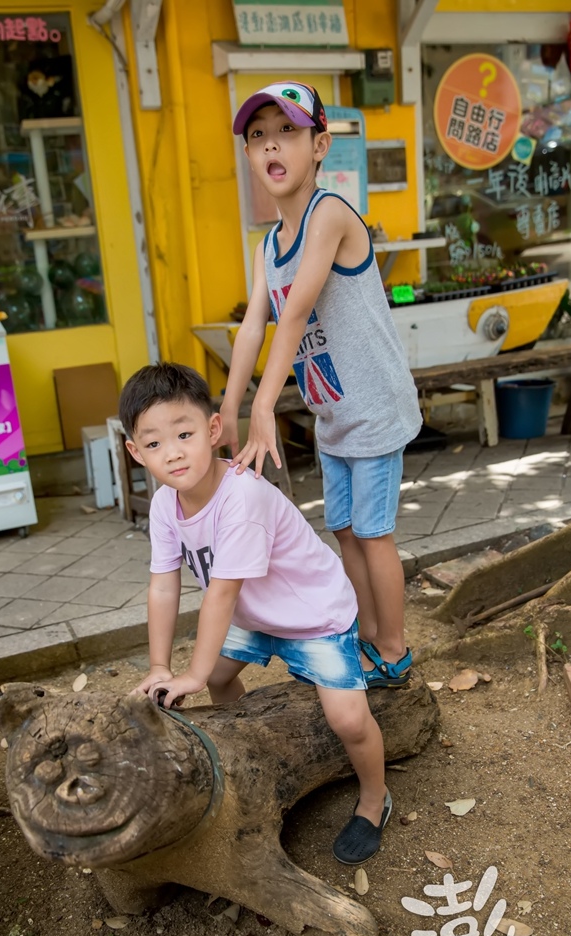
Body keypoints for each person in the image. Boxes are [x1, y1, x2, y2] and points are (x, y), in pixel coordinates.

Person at [120, 361, 391, 865]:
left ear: (214, 429)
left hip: (315, 617)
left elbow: (220, 594)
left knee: (348, 719)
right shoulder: (164, 505)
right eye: (155, 444)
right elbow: (163, 586)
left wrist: (192, 673)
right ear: (136, 452)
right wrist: (161, 667)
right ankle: (245, 757)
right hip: (254, 616)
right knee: (224, 682)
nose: (174, 453)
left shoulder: (241, 496)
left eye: (185, 433)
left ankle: (374, 799)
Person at [218, 82, 422, 687]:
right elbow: (253, 327)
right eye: (258, 137)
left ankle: (394, 646)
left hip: (376, 407)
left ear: (319, 145)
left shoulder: (328, 214)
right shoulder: (267, 246)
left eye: (287, 132)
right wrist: (227, 409)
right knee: (343, 528)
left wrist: (263, 407)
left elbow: (297, 311)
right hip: (333, 415)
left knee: (373, 533)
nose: (271, 146)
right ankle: (360, 633)